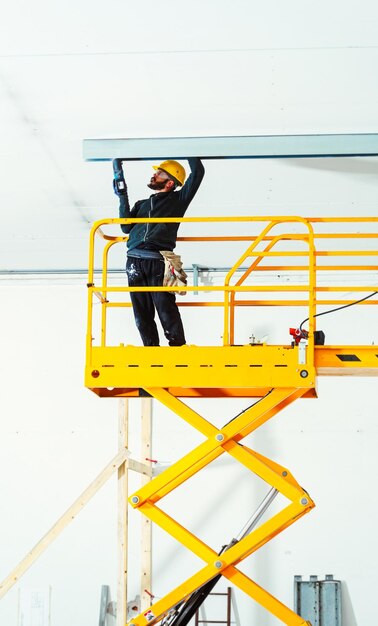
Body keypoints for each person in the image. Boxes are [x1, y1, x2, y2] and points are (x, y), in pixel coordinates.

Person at [113, 157, 205, 346]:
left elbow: (198, 174)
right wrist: (121, 189)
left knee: (165, 306)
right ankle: (151, 349)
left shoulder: (177, 201)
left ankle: (177, 347)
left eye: (160, 173)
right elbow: (125, 228)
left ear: (170, 183)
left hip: (158, 261)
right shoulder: (142, 204)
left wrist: (188, 147)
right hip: (134, 261)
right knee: (141, 311)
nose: (154, 175)